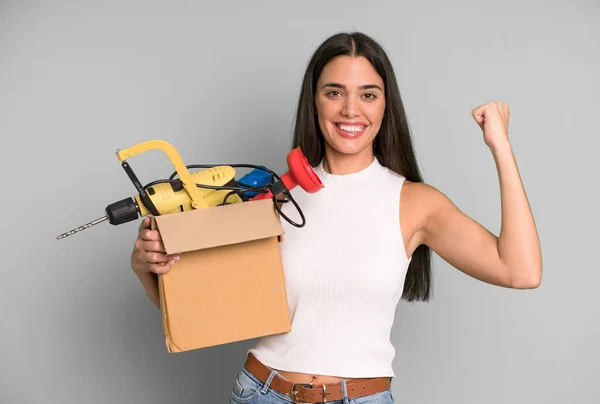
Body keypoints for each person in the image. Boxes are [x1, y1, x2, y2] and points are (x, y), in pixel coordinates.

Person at [130, 32, 542, 404]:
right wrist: (147, 269)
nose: (350, 110)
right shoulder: (271, 198)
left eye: (368, 94)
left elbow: (520, 271)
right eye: (334, 92)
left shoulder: (416, 203)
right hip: (261, 393)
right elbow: (206, 314)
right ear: (314, 100)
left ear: (386, 104)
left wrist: (500, 145)